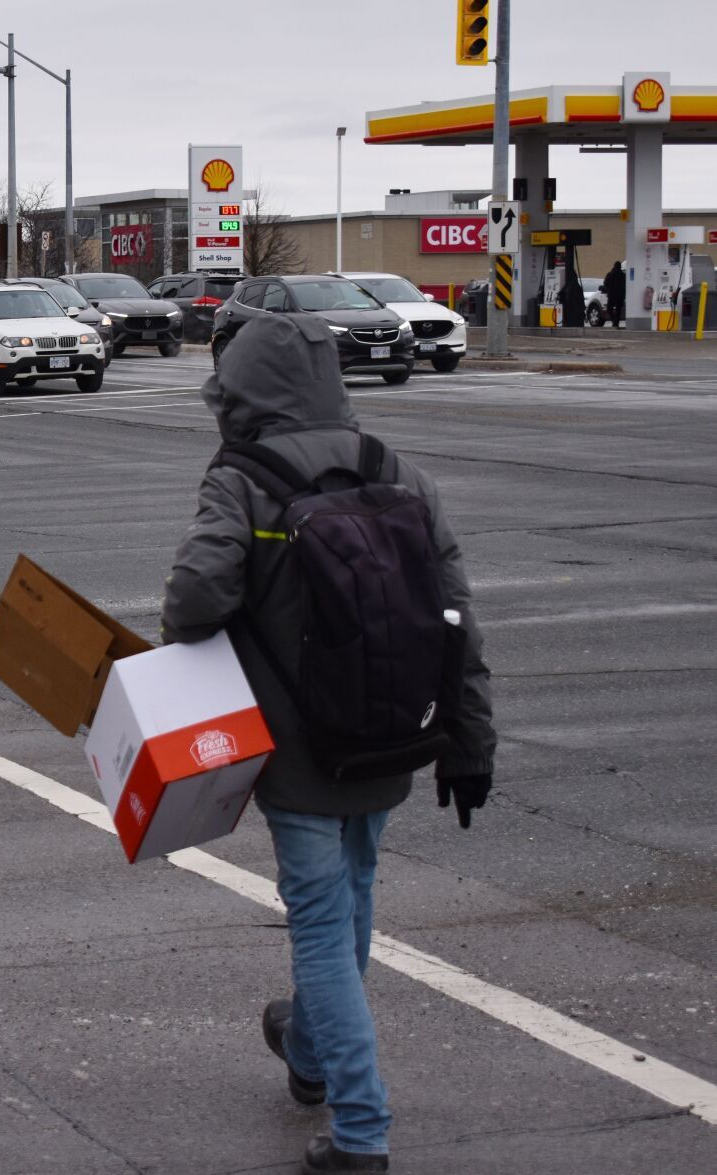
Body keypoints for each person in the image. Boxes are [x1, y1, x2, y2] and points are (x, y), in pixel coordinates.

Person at [160, 314, 497, 1174]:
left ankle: (360, 1127)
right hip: (391, 736)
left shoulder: (243, 477)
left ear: (237, 390)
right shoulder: (398, 471)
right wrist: (468, 743)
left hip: (297, 749)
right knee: (351, 894)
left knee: (318, 919)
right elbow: (456, 621)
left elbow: (195, 599)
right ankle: (307, 1051)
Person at [601, 261, 627, 328]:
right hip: (621, 296)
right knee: (618, 310)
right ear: (620, 267)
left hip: (612, 295)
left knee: (609, 308)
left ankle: (614, 320)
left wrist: (607, 289)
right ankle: (616, 322)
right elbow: (626, 285)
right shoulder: (623, 275)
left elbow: (605, 283)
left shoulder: (610, 274)